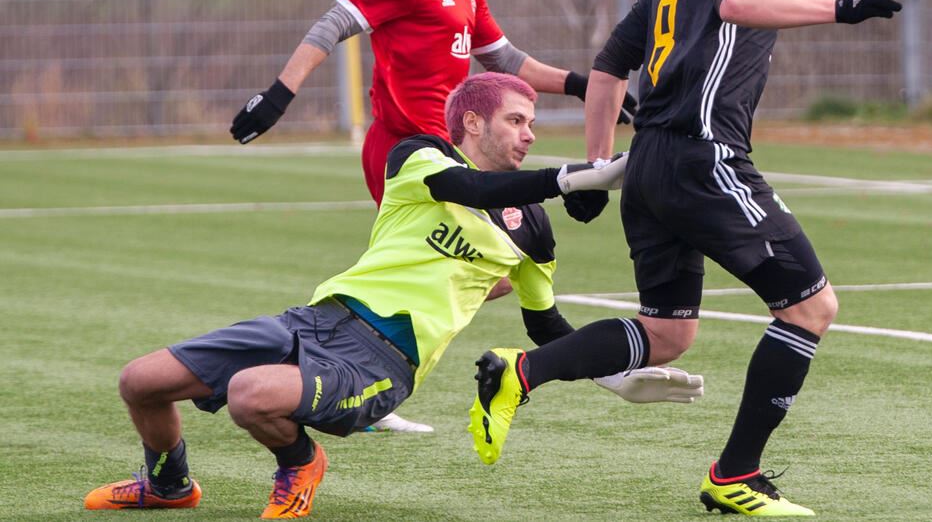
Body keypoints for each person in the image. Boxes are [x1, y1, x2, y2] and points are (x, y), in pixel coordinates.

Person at [468, 0, 905, 517]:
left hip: (651, 167)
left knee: (667, 333)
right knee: (810, 309)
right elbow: (737, 1)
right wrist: (841, 7)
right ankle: (736, 476)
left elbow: (610, 65)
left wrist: (595, 162)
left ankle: (520, 372)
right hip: (707, 161)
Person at [85, 74, 701, 519]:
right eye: (517, 121)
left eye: (533, 124)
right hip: (315, 320)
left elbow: (546, 328)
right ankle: (169, 487)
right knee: (140, 380)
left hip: (382, 362)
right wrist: (576, 177)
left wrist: (618, 375)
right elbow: (468, 187)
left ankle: (299, 462)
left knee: (251, 396)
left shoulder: (533, 229)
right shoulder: (420, 156)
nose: (530, 135)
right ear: (473, 122)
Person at [230, 0, 633, 431]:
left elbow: (506, 60)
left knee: (480, 273)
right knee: (436, 269)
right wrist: (278, 94)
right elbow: (332, 24)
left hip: (454, 157)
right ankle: (347, 371)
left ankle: (336, 359)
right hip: (408, 154)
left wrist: (583, 85)